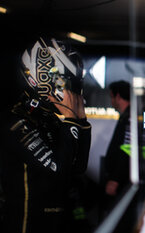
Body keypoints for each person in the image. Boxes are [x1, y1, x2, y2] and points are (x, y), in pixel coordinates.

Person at [0, 37, 91, 233]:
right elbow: (57, 168)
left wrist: (81, 121)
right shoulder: (16, 121)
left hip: (55, 223)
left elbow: (78, 167)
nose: (69, 91)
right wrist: (71, 121)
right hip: (25, 224)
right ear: (39, 78)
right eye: (63, 82)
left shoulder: (48, 119)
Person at [104, 81, 131, 197]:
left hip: (124, 179)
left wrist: (115, 178)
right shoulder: (127, 116)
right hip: (124, 177)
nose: (111, 101)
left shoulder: (130, 117)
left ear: (118, 96)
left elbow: (128, 148)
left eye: (111, 96)